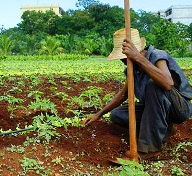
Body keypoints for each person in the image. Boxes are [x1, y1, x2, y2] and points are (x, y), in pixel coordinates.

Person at [82, 28, 192, 159]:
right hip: (155, 109)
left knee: (153, 85)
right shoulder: (132, 68)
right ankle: (164, 128)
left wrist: (138, 58)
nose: (122, 61)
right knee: (118, 115)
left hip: (179, 108)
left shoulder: (157, 56)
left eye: (123, 57)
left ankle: (150, 150)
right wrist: (98, 114)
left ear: (136, 51)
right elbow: (124, 94)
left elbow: (167, 84)